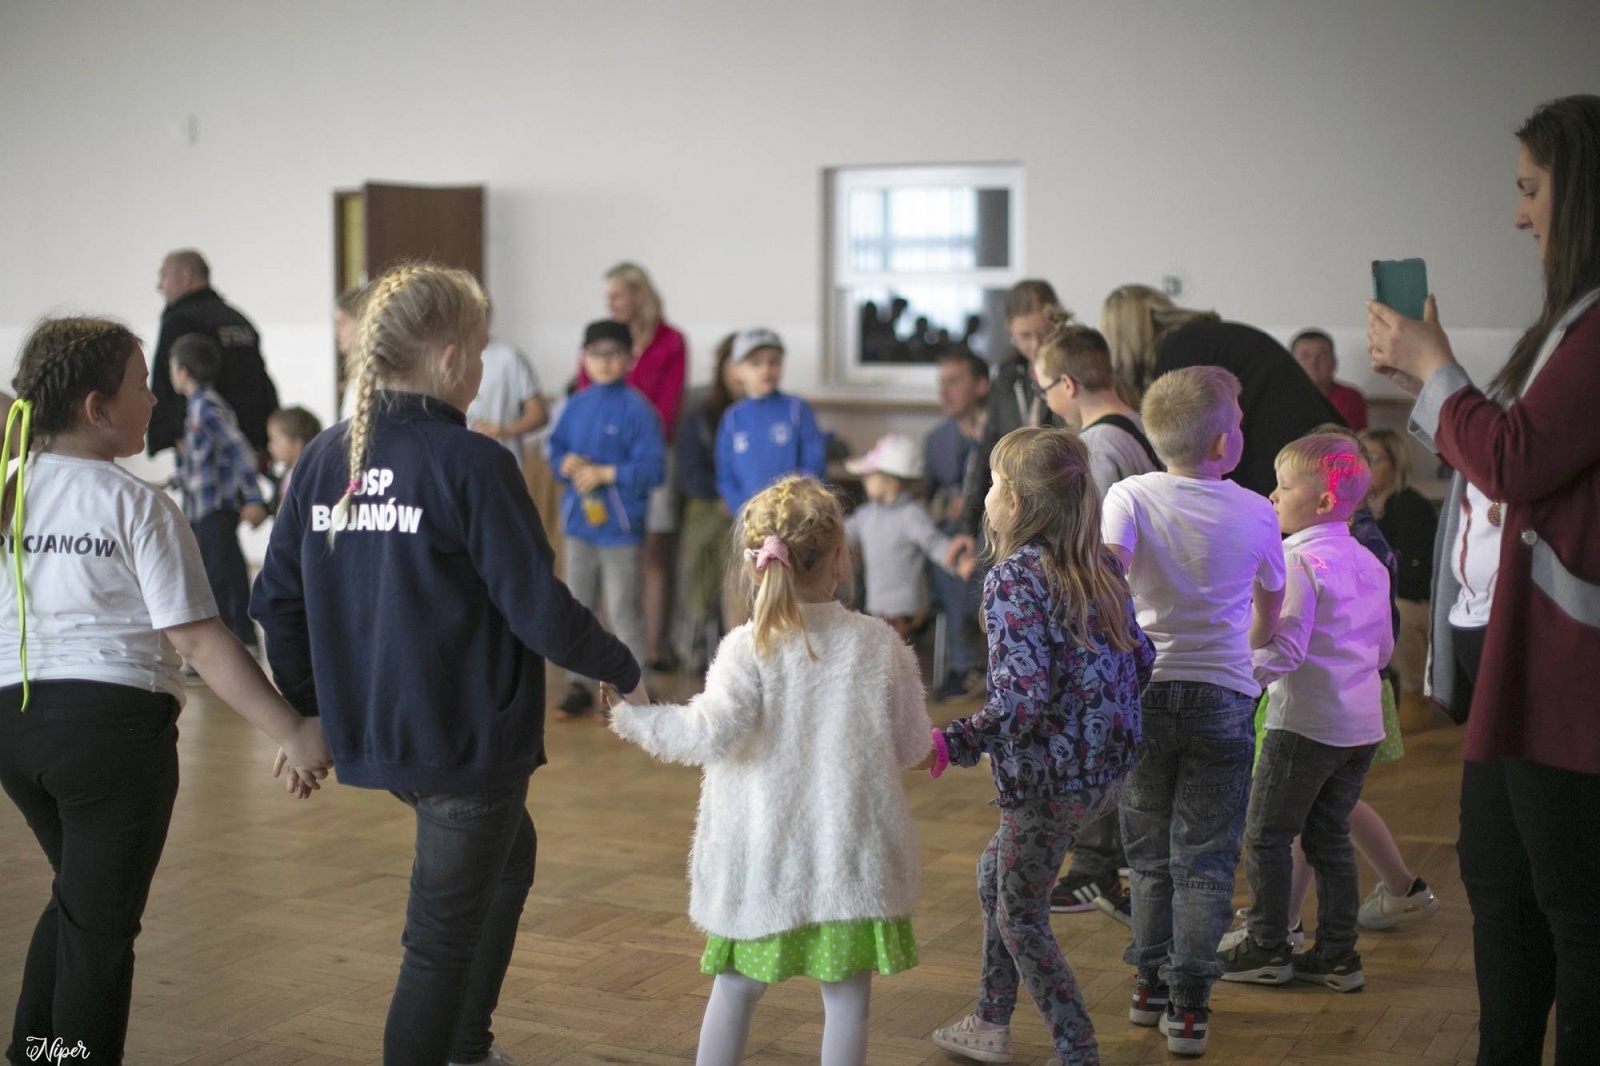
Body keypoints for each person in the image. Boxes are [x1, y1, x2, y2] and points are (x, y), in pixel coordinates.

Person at [251, 263, 645, 1066]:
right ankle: (457, 1047)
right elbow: (539, 610)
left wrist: (311, 712)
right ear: (449, 357)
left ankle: (467, 1044)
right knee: (436, 945)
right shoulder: (472, 462)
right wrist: (623, 667)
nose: (483, 365)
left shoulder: (324, 455)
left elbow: (274, 604)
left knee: (509, 857)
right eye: (480, 349)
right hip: (463, 746)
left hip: (387, 735)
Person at [0, 317, 329, 1066]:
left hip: (14, 730)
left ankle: (34, 1054)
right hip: (109, 737)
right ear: (97, 409)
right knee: (100, 928)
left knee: (80, 899)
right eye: (141, 386)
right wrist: (292, 730)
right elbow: (199, 640)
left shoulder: (9, 488)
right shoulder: (138, 504)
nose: (155, 401)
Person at [1367, 93, 1600, 1066]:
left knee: (1575, 913)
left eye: (1530, 189)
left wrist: (1436, 371)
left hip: (1568, 677)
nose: (1518, 214)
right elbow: (1501, 451)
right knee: (1501, 890)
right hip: (1522, 665)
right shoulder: (1566, 325)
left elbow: (1512, 459)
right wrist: (1431, 380)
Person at [604, 476, 930, 1066]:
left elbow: (705, 734)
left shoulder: (746, 648)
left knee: (735, 990)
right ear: (841, 557)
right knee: (848, 1004)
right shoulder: (880, 645)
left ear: (755, 569)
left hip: (763, 867)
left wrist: (636, 719)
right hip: (848, 866)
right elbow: (910, 747)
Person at [927, 427, 1152, 1066]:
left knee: (1020, 915)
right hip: (1107, 772)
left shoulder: (1013, 578)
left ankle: (1077, 1048)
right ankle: (990, 1020)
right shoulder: (1101, 564)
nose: (987, 495)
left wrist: (952, 743)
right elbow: (1143, 659)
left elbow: (1020, 702)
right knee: (993, 874)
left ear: (1016, 503)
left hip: (1048, 784)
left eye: (993, 483)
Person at [1102, 366, 1286, 1057]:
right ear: (1221, 445)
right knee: (1205, 858)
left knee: (1148, 855)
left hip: (1146, 691)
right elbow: (1269, 614)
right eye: (1237, 421)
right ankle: (1189, 1008)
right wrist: (1242, 640)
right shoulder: (1257, 509)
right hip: (1224, 695)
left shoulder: (1129, 494)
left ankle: (1148, 985)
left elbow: (1107, 577)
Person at [1217, 433, 1391, 994]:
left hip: (1305, 725)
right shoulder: (1370, 562)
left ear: (1323, 502)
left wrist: (1234, 680)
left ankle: (1267, 944)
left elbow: (1285, 650)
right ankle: (1338, 955)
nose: (1272, 496)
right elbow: (1383, 651)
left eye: (1284, 486)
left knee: (1267, 833)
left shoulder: (1298, 561)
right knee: (1329, 837)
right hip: (1360, 727)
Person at [1030, 322, 1160, 922]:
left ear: (1067, 384)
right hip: (1131, 611)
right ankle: (1107, 866)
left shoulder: (1099, 447)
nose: (1045, 402)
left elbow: (1095, 545)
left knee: (1096, 742)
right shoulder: (1137, 425)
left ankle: (1095, 869)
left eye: (1044, 389)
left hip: (1107, 614)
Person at [1101, 285, 1342, 497]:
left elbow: (1184, 441)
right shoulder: (1207, 336)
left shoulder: (1179, 349)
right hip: (1316, 441)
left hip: (1291, 455)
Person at [547, 320, 666, 718]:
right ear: (584, 358)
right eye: (596, 353)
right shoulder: (575, 405)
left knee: (623, 609)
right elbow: (555, 450)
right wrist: (564, 463)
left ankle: (633, 686)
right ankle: (578, 685)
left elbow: (654, 470)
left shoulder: (639, 410)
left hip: (621, 530)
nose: (604, 361)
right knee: (578, 607)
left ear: (630, 358)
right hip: (579, 526)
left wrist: (606, 473)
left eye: (614, 353)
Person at [576, 263, 687, 671]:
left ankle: (652, 649)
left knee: (653, 551)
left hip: (650, 452)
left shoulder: (671, 341)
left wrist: (628, 444)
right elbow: (585, 395)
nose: (611, 304)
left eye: (617, 295)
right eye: (607, 297)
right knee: (605, 550)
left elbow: (667, 407)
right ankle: (609, 651)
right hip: (600, 458)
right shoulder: (601, 338)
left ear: (640, 295)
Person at [949, 280, 1063, 566]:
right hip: (1013, 507)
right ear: (1010, 330)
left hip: (1057, 510)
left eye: (1044, 333)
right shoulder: (1007, 374)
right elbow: (988, 447)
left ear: (1058, 323)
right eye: (1024, 336)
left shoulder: (1069, 370)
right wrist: (967, 526)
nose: (1035, 345)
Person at [168, 333, 269, 650]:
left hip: (217, 508)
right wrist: (172, 481)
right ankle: (239, 640)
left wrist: (254, 498)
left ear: (183, 371)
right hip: (202, 508)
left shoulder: (207, 408)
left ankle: (231, 644)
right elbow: (201, 464)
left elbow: (241, 453)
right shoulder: (196, 408)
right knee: (224, 572)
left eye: (172, 367)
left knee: (219, 577)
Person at [147, 249, 280, 463]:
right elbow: (262, 384)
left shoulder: (181, 320)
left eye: (164, 276)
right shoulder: (238, 319)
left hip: (202, 443)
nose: (159, 286)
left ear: (185, 277)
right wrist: (267, 440)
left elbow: (173, 385)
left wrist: (173, 433)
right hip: (249, 446)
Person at [842, 433, 959, 636]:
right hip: (877, 607)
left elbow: (934, 543)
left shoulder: (912, 515)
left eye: (870, 475)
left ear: (890, 481)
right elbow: (842, 533)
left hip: (907, 611)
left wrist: (957, 561)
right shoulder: (866, 514)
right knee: (884, 649)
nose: (864, 480)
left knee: (899, 650)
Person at [924, 347, 989, 701]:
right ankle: (967, 663)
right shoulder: (936, 441)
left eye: (954, 382)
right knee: (948, 551)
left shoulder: (1002, 432)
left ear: (980, 385)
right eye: (941, 383)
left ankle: (970, 664)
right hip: (953, 535)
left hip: (995, 528)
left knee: (969, 550)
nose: (944, 392)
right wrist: (948, 506)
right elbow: (926, 502)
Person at [674, 332, 742, 672]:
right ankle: (700, 634)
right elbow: (690, 474)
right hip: (710, 503)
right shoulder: (701, 417)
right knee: (705, 540)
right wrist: (721, 497)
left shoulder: (781, 414)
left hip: (754, 509)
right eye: (738, 363)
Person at [1359, 428, 1438, 698]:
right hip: (1377, 596)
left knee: (1397, 613)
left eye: (1372, 458)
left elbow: (1414, 579)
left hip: (1414, 602)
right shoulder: (1358, 509)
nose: (1364, 465)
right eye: (1360, 457)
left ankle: (1414, 694)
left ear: (1396, 464)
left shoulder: (1410, 507)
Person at [714, 329, 826, 518]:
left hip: (792, 515)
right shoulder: (732, 418)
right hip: (750, 518)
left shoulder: (796, 409)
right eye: (755, 363)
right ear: (737, 371)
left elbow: (814, 464)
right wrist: (744, 510)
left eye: (773, 362)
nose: (766, 370)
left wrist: (793, 504)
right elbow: (725, 476)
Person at [467, 315, 547, 470]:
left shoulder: (508, 356)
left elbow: (539, 414)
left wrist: (505, 431)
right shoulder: (440, 357)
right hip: (456, 466)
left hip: (500, 465)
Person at [1291, 329, 1369, 431]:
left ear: (1334, 362)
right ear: (1291, 363)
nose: (1313, 363)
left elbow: (1352, 438)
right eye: (1305, 356)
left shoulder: (1350, 398)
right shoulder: (1280, 397)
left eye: (1322, 356)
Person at [266, 405, 323, 504]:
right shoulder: (289, 474)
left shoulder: (304, 479)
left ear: (296, 445)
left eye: (275, 440)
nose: (270, 446)